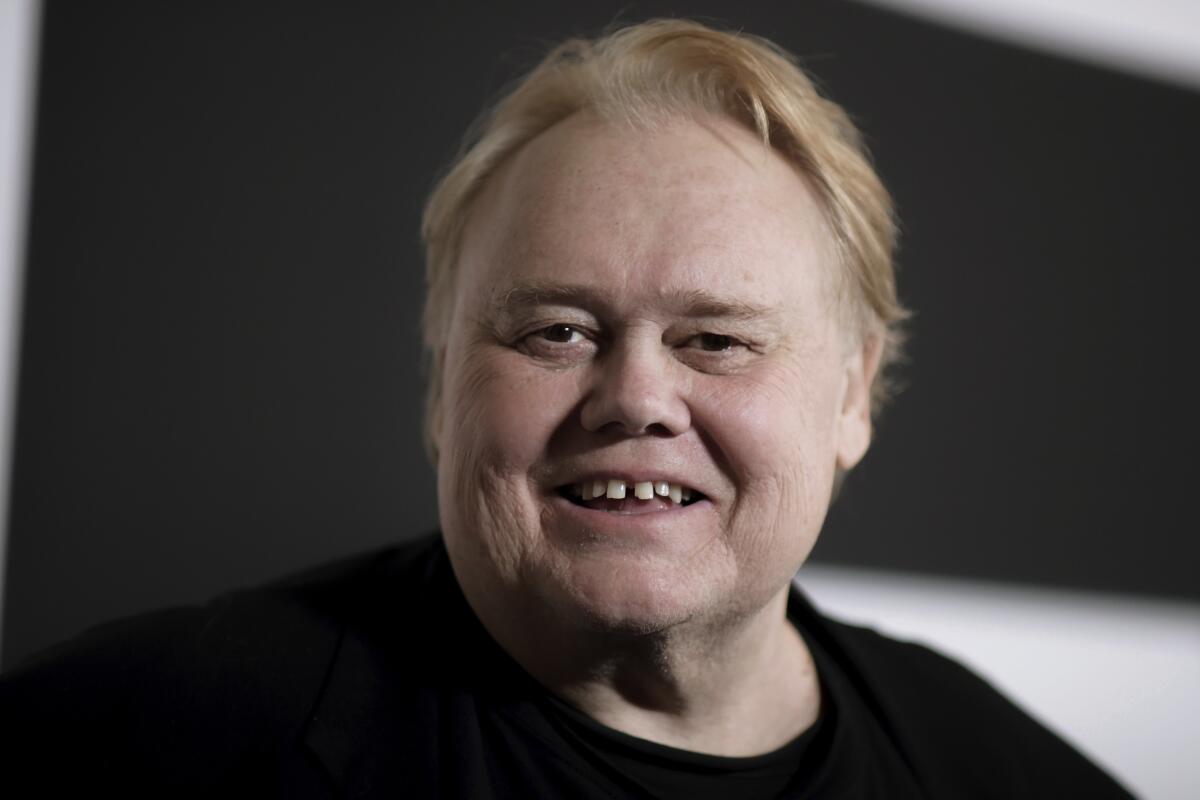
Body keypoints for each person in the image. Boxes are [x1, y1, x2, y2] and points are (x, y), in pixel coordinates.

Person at [0, 18, 1132, 798]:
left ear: (849, 394)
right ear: (445, 382)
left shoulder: (999, 768)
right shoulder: (150, 733)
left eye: (718, 340)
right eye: (557, 331)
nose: (636, 394)